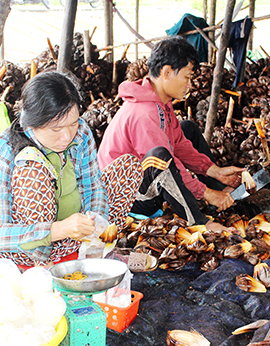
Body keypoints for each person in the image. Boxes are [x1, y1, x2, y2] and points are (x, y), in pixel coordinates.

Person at [0, 71, 142, 268]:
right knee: (33, 170)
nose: (67, 136)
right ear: (32, 123)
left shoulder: (80, 131)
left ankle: (95, 254)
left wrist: (95, 225)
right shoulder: (1, 154)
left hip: (75, 235)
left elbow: (93, 186)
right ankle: (50, 265)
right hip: (28, 250)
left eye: (72, 124)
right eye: (56, 129)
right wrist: (60, 230)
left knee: (128, 167)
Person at [97, 37, 244, 232]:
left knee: (187, 128)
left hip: (143, 177)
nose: (189, 85)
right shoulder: (145, 113)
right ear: (166, 72)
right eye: (187, 77)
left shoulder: (160, 102)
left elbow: (180, 144)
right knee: (161, 157)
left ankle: (220, 191)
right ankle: (200, 222)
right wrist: (205, 193)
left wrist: (214, 171)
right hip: (126, 199)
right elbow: (164, 162)